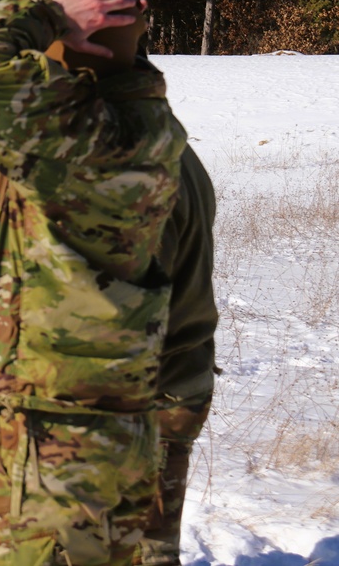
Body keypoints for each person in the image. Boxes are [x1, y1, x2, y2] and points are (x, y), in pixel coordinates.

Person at [0, 0, 188, 566]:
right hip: (97, 442)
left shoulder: (81, 139)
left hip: (48, 464)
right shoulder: (143, 127)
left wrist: (46, 12)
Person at [138, 143, 218, 566]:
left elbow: (128, 314)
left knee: (140, 549)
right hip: (179, 380)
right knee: (153, 546)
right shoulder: (177, 150)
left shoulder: (140, 169)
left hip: (149, 396)